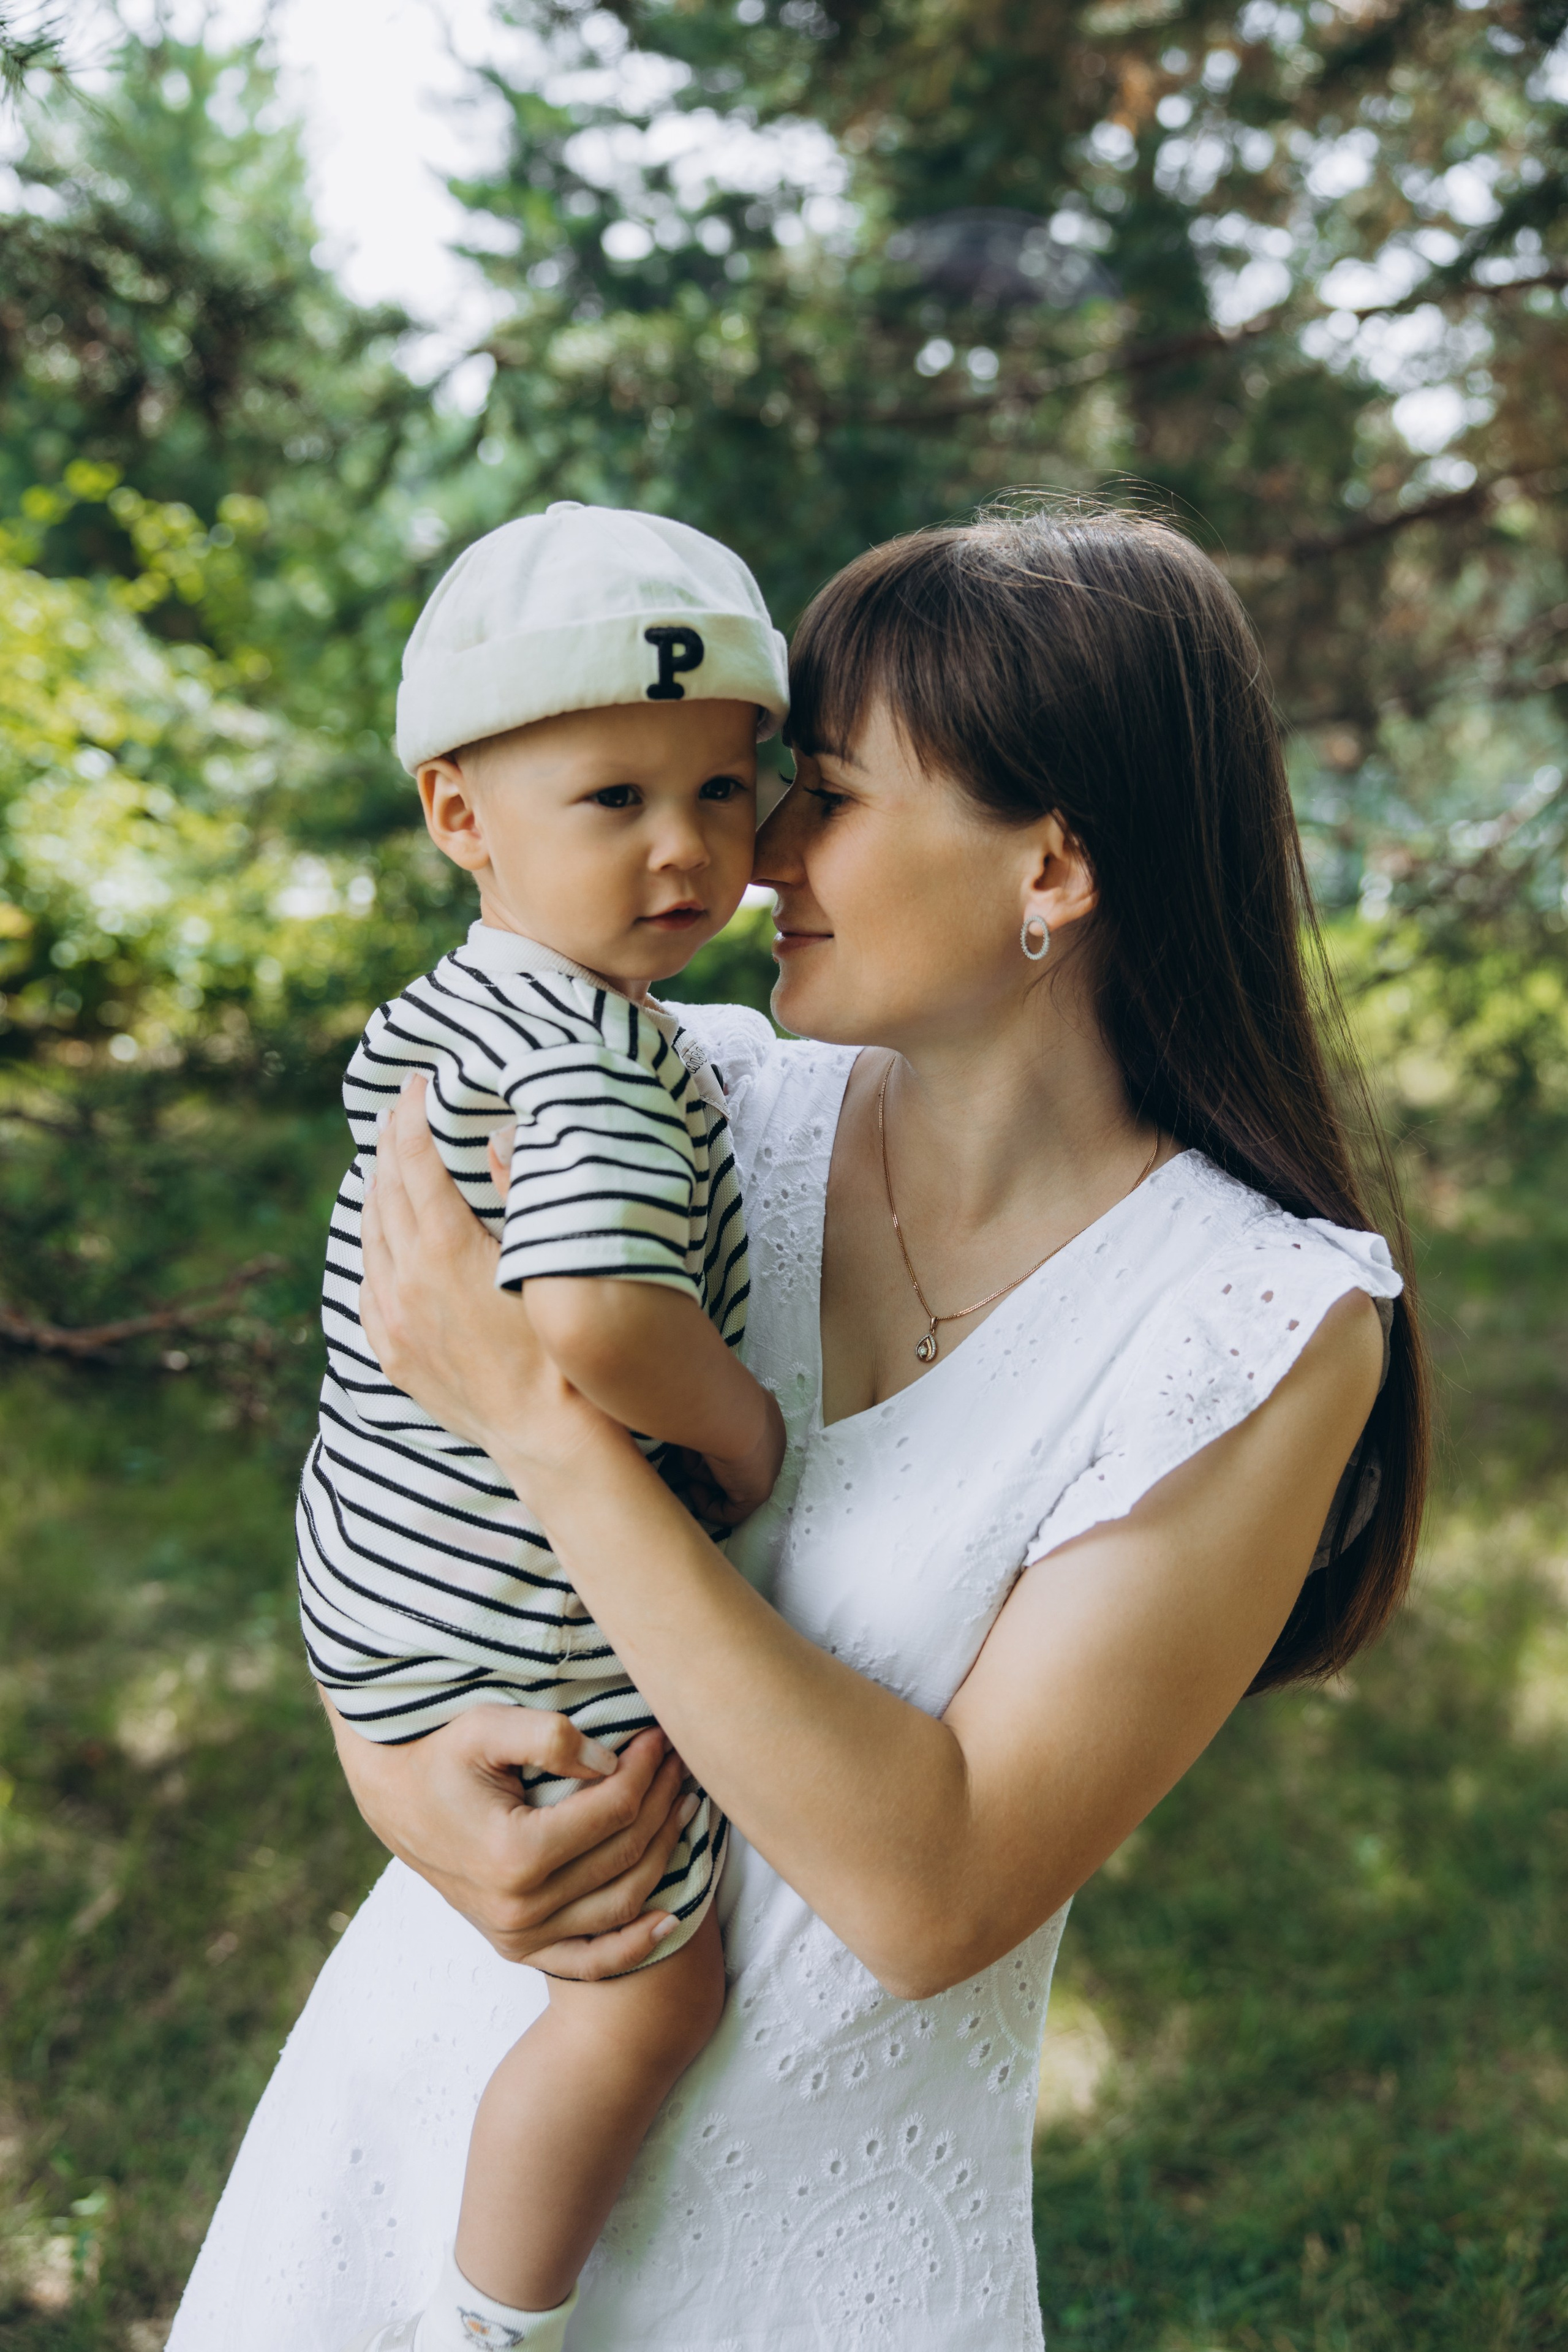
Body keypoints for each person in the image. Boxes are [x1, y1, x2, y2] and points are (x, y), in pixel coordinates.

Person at [169, 505, 1428, 2352]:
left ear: (1052, 868)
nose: (752, 860)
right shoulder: (706, 1098)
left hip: (799, 2268)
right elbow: (398, 1475)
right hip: (410, 2125)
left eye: (817, 793)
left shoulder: (1251, 1327)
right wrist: (397, 1780)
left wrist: (544, 1422)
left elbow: (935, 1893)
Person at [296, 501, 791, 2352]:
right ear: (460, 814)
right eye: (615, 802)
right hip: (505, 1604)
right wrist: (741, 1440)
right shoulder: (587, 1049)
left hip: (374, 1562)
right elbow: (591, 1320)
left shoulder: (459, 1012)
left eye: (722, 795)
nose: (687, 854)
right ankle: (499, 2320)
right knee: (647, 2000)